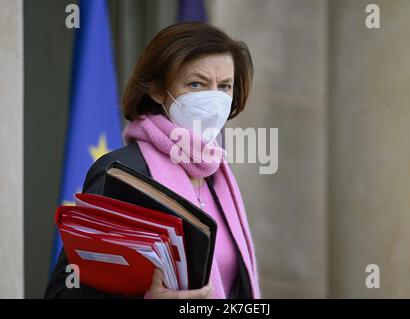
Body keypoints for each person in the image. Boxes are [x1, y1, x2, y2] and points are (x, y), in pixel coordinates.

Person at [45, 21, 260, 299]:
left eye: (225, 86)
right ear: (158, 91)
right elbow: (64, 292)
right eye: (197, 84)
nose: (213, 98)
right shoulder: (124, 174)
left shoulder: (217, 174)